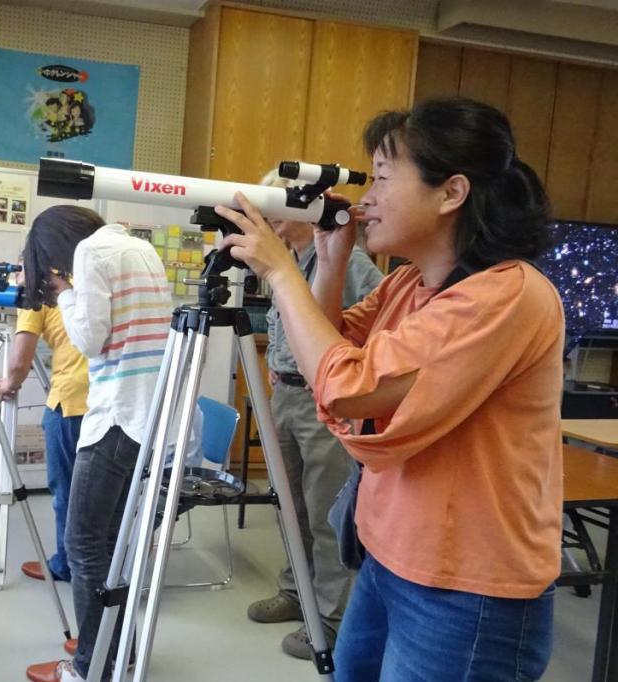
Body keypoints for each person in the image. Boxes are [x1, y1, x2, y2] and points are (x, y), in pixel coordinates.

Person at [219, 96, 563, 680]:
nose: (368, 199)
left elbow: (350, 389)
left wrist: (280, 271)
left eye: (381, 178)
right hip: (388, 555)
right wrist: (327, 264)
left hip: (465, 584)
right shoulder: (408, 282)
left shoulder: (506, 294)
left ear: (451, 193)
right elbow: (328, 350)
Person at [22, 206, 172, 682]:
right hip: (148, 416)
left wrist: (64, 294)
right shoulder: (139, 246)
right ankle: (110, 644)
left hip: (115, 416)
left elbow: (89, 340)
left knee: (83, 542)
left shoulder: (89, 252)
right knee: (109, 542)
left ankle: (87, 667)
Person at [245, 170, 383, 660]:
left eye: (273, 204)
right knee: (290, 506)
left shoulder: (353, 264)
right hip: (285, 394)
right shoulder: (292, 262)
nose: (266, 216)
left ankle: (331, 615)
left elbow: (370, 337)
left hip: (322, 402)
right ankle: (296, 590)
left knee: (326, 512)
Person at [0, 265, 88, 589]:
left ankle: (66, 565)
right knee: (97, 492)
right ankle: (105, 563)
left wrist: (9, 384)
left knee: (66, 490)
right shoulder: (80, 280)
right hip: (107, 400)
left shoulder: (36, 294)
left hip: (71, 401)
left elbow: (20, 360)